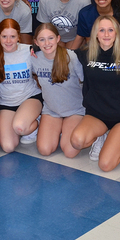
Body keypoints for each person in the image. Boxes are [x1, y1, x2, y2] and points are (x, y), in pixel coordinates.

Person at [70, 17, 120, 172]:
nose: (106, 34)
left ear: (117, 33)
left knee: (105, 165)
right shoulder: (85, 53)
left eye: (110, 30)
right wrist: (34, 48)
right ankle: (101, 136)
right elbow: (58, 53)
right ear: (96, 34)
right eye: (102, 30)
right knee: (76, 142)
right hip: (96, 115)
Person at [30, 24, 85, 158]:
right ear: (36, 42)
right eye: (42, 40)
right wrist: (29, 49)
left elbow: (85, 81)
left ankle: (67, 129)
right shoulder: (34, 58)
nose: (47, 43)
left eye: (51, 38)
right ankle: (53, 128)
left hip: (74, 110)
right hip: (52, 110)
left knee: (70, 152)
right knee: (45, 150)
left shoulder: (71, 57)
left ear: (58, 38)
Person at [0, 19, 43, 152]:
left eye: (13, 36)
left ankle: (37, 121)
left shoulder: (29, 50)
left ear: (19, 37)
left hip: (30, 98)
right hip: (7, 103)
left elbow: (48, 64)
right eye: (4, 36)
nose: (8, 41)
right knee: (8, 146)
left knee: (20, 127)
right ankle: (23, 121)